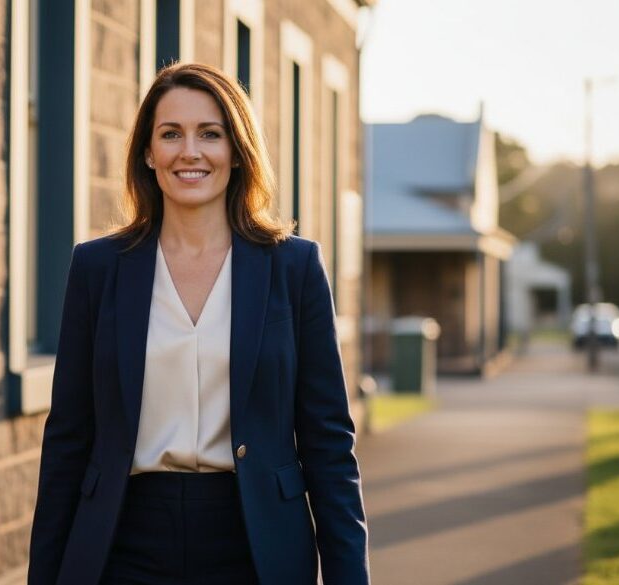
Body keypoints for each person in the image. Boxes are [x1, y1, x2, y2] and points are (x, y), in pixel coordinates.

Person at [27, 62, 369, 585]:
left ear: (237, 151)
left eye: (211, 133)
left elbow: (327, 443)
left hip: (254, 544)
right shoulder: (97, 268)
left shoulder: (293, 268)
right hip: (123, 538)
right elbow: (69, 439)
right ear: (148, 152)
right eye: (171, 134)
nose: (191, 151)